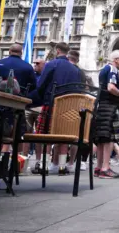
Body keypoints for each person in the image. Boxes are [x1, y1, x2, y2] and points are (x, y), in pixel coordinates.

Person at [29, 42, 82, 175]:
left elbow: (41, 85)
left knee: (45, 135)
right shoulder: (75, 69)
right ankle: (62, 167)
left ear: (57, 50)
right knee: (63, 135)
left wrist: (32, 99)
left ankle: (45, 165)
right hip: (68, 107)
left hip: (51, 103)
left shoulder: (51, 64)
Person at [95, 50, 119, 179]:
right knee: (109, 137)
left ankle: (99, 168)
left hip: (102, 105)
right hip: (110, 106)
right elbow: (111, 88)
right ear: (116, 59)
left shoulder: (104, 69)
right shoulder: (113, 69)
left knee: (101, 138)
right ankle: (105, 168)